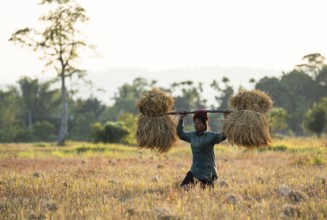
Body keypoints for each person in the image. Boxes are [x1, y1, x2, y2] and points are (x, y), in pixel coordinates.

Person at [177, 109, 230, 189]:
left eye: (198, 123)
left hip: (208, 173)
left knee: (207, 195)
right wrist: (181, 118)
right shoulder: (192, 136)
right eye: (195, 123)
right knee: (183, 189)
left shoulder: (211, 136)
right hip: (195, 171)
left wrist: (226, 119)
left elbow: (224, 135)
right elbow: (181, 134)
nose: (196, 125)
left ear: (204, 124)